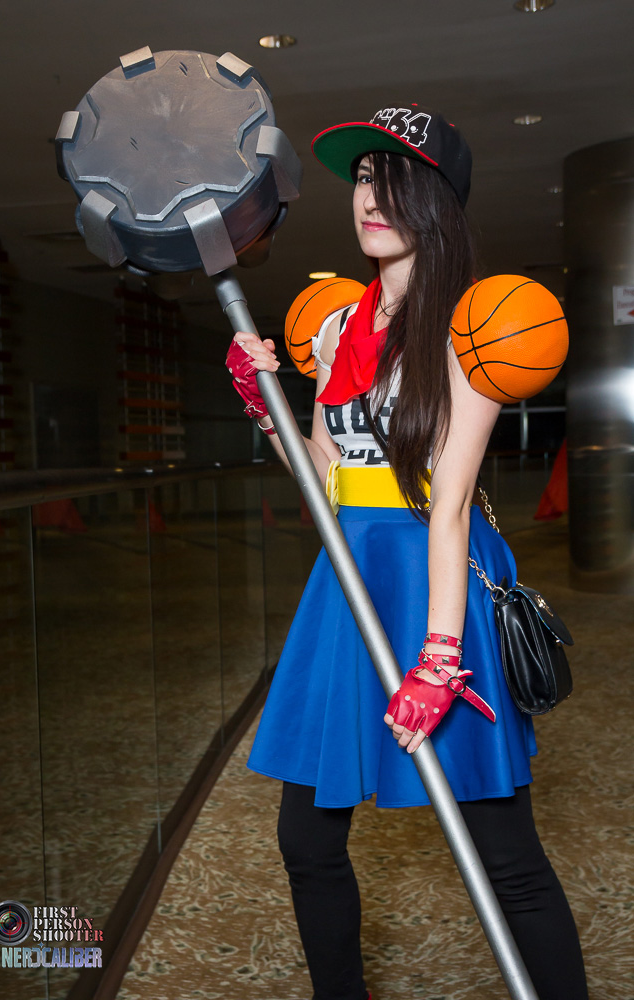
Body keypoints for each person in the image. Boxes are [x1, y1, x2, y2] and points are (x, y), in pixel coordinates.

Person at [225, 104, 588, 1000]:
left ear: (437, 199)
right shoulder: (333, 328)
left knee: (503, 853)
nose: (370, 198)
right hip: (347, 583)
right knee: (306, 841)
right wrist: (265, 408)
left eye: (393, 179)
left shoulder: (475, 325)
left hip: (432, 582)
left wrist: (438, 658)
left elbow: (449, 502)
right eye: (360, 178)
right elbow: (326, 479)